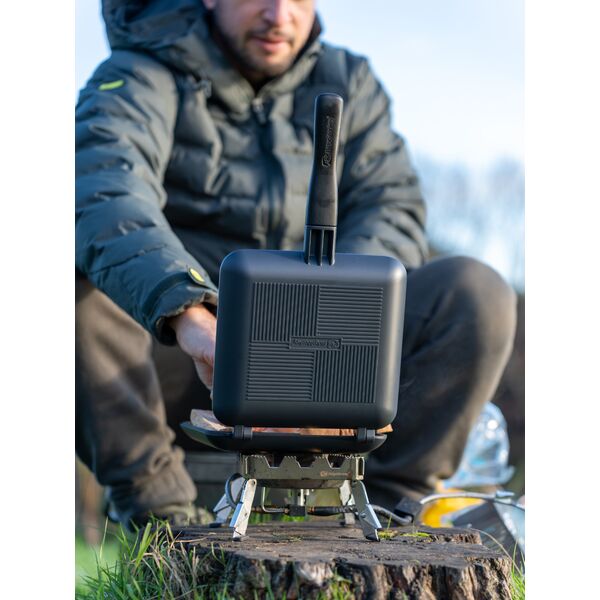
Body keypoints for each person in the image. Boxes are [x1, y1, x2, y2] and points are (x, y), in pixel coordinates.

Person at [76, 0, 517, 529]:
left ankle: (384, 508)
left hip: (332, 351)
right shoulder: (139, 75)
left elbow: (392, 208)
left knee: (474, 292)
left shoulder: (350, 82)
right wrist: (187, 312)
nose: (279, 14)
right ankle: (164, 519)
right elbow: (105, 196)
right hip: (186, 355)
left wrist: (330, 327)